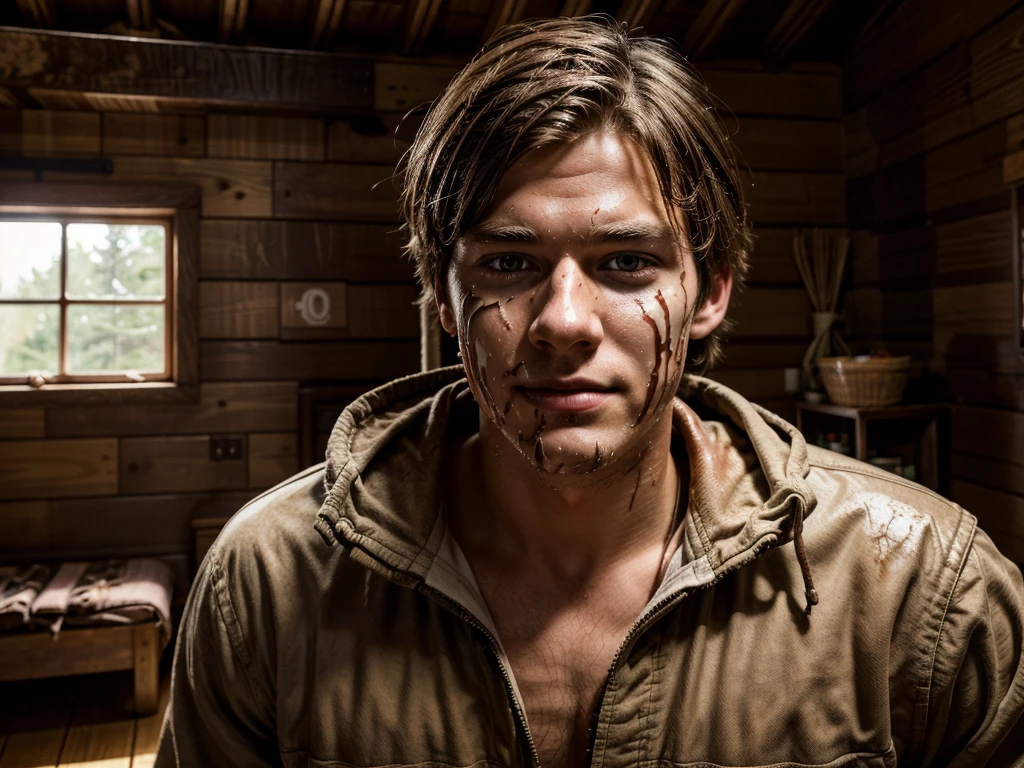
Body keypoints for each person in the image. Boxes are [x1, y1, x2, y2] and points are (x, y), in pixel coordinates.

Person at [155, 16, 1024, 768]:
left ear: (711, 288)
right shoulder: (268, 584)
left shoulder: (922, 590)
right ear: (445, 300)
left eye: (625, 263)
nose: (564, 321)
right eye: (508, 263)